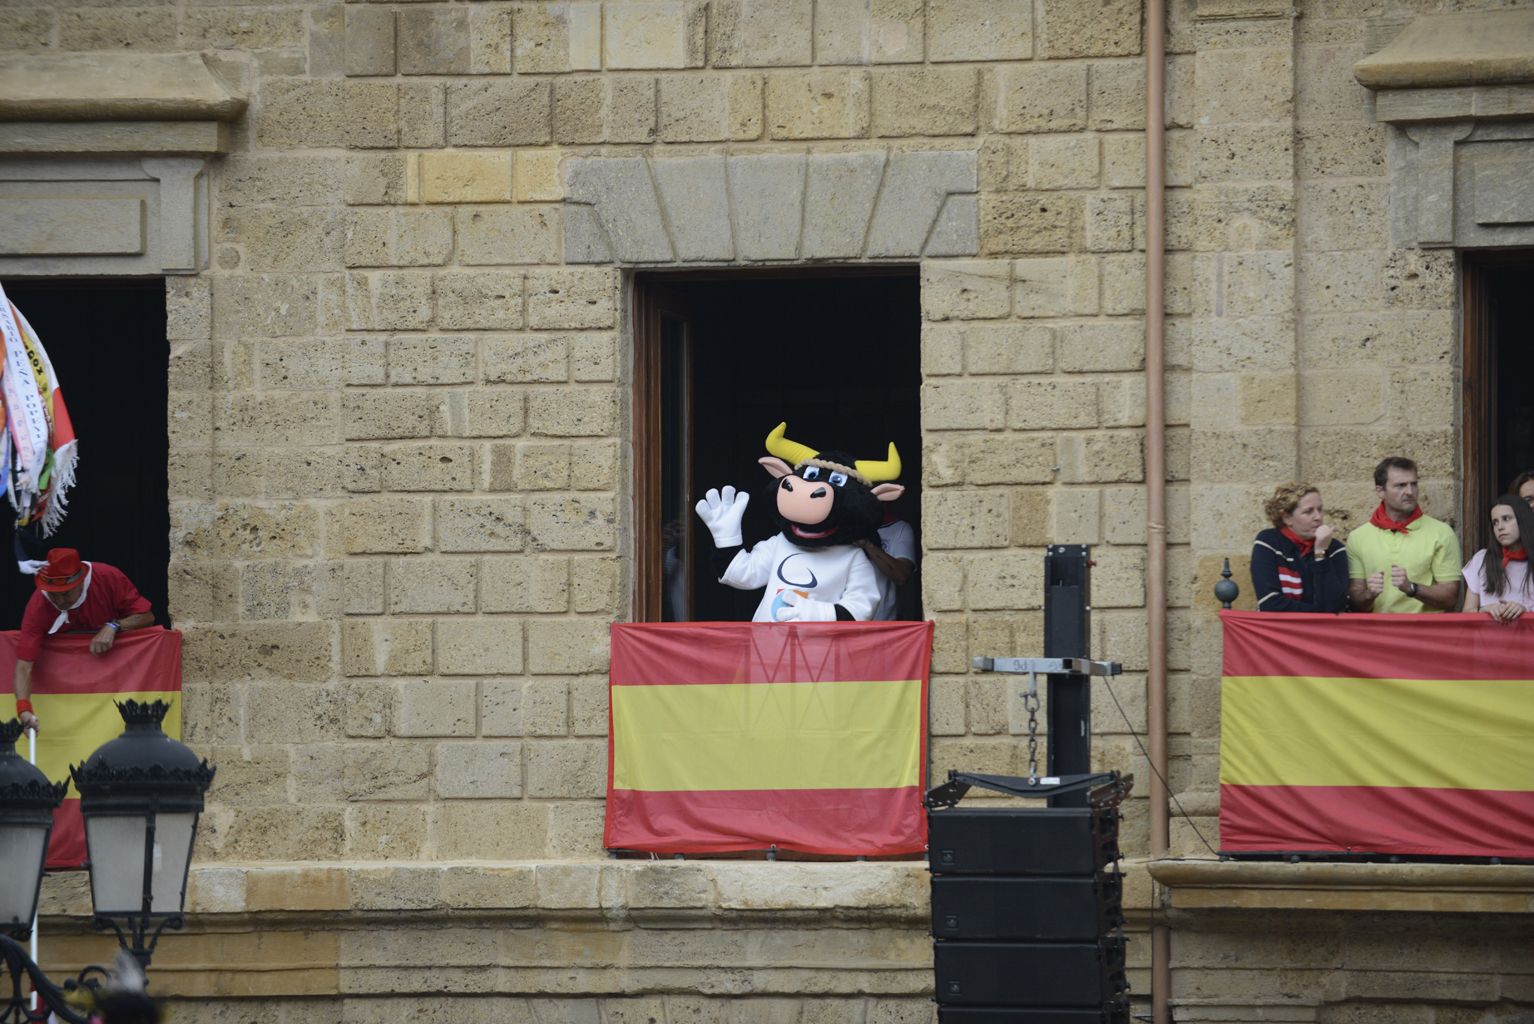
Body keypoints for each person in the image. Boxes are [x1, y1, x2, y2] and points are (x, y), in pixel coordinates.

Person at [11, 548, 154, 733]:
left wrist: (114, 626)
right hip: (67, 695)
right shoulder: (39, 603)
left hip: (120, 685)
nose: (60, 601)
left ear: (80, 582)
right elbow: (24, 665)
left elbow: (147, 617)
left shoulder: (107, 577)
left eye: (65, 593)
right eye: (54, 593)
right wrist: (24, 710)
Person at [1347, 457, 1461, 613]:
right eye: (1401, 485)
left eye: (1413, 484)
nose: (1410, 491)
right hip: (1377, 634)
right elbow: (1355, 601)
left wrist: (1412, 588)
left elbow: (1451, 598)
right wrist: (1369, 594)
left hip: (1425, 633)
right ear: (1380, 491)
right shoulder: (1358, 537)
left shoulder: (1442, 532)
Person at [1250, 483, 1348, 612]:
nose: (1318, 517)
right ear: (1287, 518)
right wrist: (1319, 612)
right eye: (1308, 511)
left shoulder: (1334, 548)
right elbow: (1269, 603)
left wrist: (1320, 553)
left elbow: (1336, 606)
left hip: (1323, 631)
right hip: (1278, 630)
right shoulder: (1269, 542)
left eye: (1320, 509)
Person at [1461, 495, 1534, 622]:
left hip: (1527, 640)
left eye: (1506, 519)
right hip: (1489, 640)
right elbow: (1466, 612)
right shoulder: (1481, 559)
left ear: (1523, 519)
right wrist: (1484, 610)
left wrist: (1525, 610)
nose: (1500, 527)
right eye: (1495, 522)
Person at [859, 513, 916, 620]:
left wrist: (867, 544)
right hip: (846, 625)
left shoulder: (898, 528)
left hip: (883, 624)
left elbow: (901, 576)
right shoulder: (839, 529)